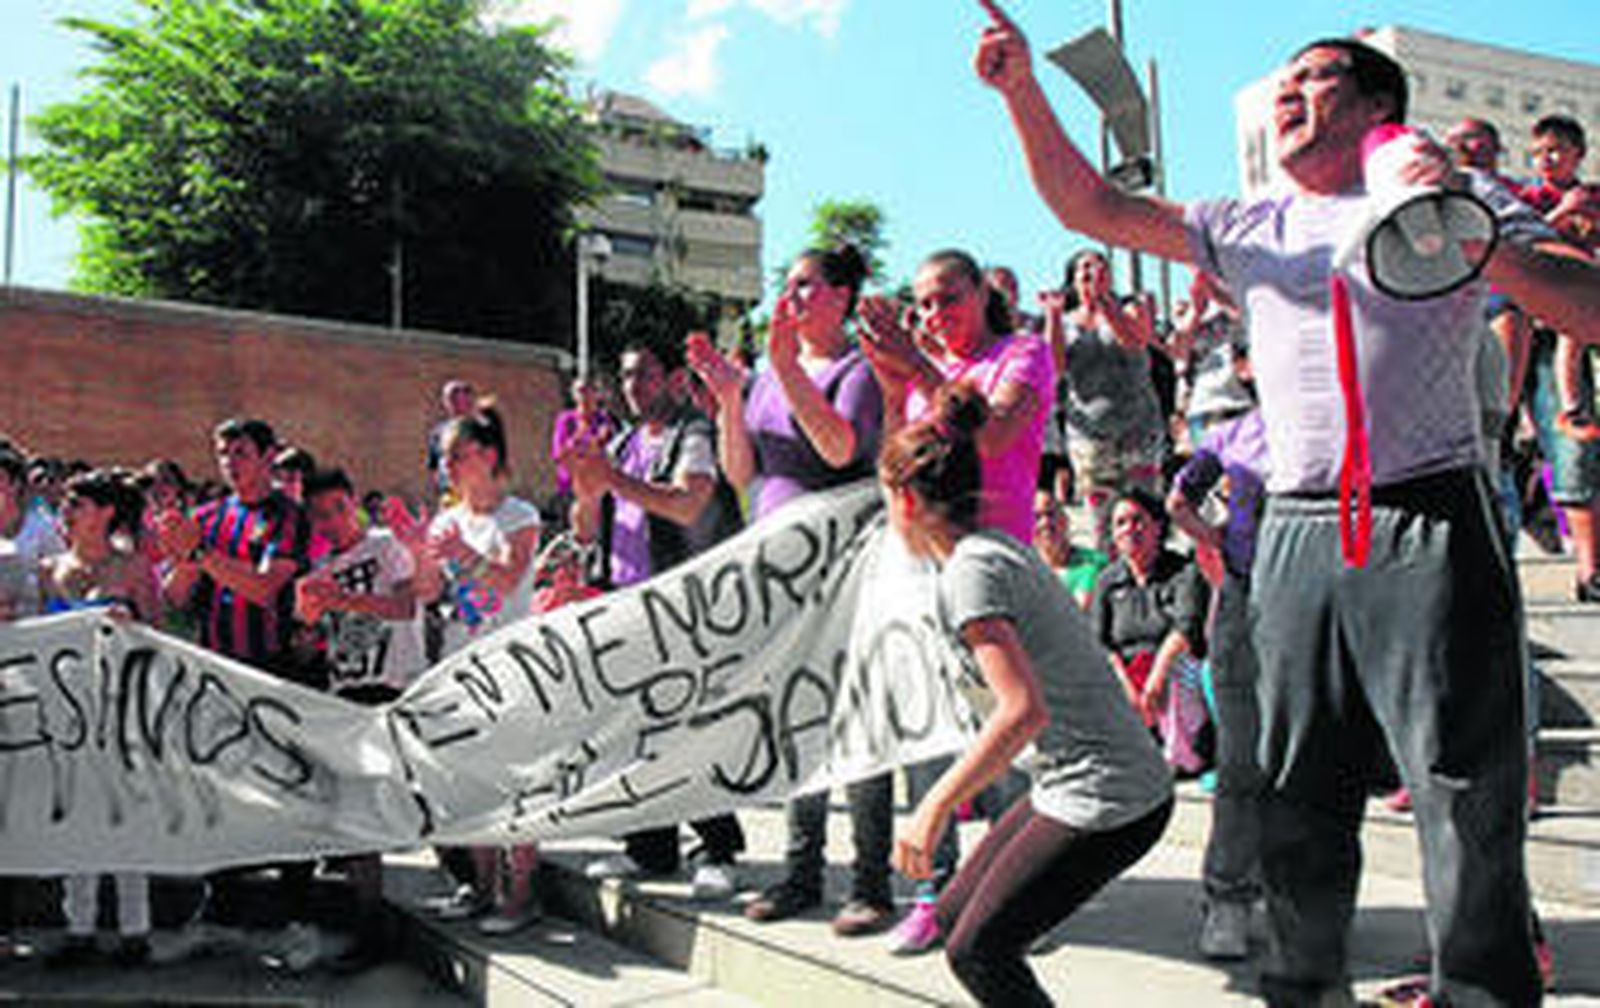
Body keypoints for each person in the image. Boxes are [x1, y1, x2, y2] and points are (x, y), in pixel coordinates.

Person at [971, 3, 1599, 1000]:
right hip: (1298, 536)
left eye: (1313, 79)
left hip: (1428, 516)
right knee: (1296, 800)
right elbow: (1093, 207)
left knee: (1461, 801)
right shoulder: (1249, 223)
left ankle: (1480, 989)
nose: (1287, 96)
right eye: (1281, 87)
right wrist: (1021, 92)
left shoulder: (1459, 192)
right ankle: (1303, 989)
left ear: (1378, 103)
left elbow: (1586, 303)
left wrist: (1475, 239)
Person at [884, 383, 1172, 1007]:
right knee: (955, 917)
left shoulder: (972, 571)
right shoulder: (984, 552)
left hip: (1112, 792)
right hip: (1066, 779)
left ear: (904, 501)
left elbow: (1021, 711)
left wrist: (933, 807)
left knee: (977, 950)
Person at [687, 245, 896, 937]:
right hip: (779, 578)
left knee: (857, 724)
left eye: (808, 286)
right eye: (790, 286)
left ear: (842, 296)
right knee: (797, 723)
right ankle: (802, 871)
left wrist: (777, 368)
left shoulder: (859, 371)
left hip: (844, 573)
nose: (794, 296)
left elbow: (838, 447)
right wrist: (728, 399)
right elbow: (740, 471)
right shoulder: (771, 378)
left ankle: (871, 882)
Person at [565, 340, 747, 900]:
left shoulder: (694, 432)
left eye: (643, 375)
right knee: (633, 734)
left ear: (671, 378)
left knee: (690, 730)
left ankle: (718, 848)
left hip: (683, 610)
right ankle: (650, 847)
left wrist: (611, 480)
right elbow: (585, 530)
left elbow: (690, 504)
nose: (632, 386)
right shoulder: (619, 442)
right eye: (625, 377)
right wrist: (588, 487)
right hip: (626, 605)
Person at [395, 401, 544, 934]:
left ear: (487, 456)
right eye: (443, 457)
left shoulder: (519, 515)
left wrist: (459, 552)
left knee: (515, 782)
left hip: (510, 666)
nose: (447, 466)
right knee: (472, 782)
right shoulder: (447, 519)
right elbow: (428, 591)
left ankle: (521, 893)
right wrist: (419, 552)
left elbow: (506, 581)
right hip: (458, 663)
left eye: (456, 455)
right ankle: (481, 888)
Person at [38, 468, 160, 967]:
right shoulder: (49, 569)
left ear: (106, 512)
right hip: (69, 709)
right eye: (66, 504)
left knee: (126, 816)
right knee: (76, 818)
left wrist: (133, 627)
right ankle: (78, 927)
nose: (66, 512)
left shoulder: (133, 569)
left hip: (122, 705)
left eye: (77, 504)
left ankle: (136, 929)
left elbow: (158, 634)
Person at [859, 248, 1055, 546]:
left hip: (997, 543)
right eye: (925, 305)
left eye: (949, 299)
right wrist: (893, 392)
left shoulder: (1024, 351)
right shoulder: (928, 369)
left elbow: (993, 439)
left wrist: (915, 364)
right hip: (925, 548)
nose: (936, 313)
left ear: (982, 294)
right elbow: (894, 465)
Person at [1168, 404, 1268, 961]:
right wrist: (1217, 538)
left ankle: (1290, 890)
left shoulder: (1329, 413)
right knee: (1238, 760)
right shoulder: (1231, 433)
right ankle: (1228, 896)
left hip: (1314, 596)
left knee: (1307, 755)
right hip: (1244, 597)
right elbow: (1179, 499)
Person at [1515, 115, 1600, 600]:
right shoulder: (1527, 201)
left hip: (1578, 328)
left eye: (1558, 150)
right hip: (1531, 327)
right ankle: (1535, 508)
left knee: (1578, 446)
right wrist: (1562, 214)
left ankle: (1589, 571)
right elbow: (1518, 245)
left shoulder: (1594, 196)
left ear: (1578, 153)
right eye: (1541, 151)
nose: (1549, 159)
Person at [1045, 249, 1166, 552]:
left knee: (1145, 513)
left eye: (1100, 265)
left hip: (1138, 431)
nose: (1092, 271)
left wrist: (1104, 302)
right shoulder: (1066, 320)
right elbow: (1055, 367)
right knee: (1102, 522)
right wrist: (1054, 317)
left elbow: (1136, 342)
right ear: (1072, 280)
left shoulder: (1131, 308)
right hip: (1089, 438)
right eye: (1084, 267)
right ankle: (1109, 585)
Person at [1089, 489, 1212, 774]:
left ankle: (1179, 756)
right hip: (1128, 673)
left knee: (1182, 672)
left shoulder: (1184, 572)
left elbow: (1185, 629)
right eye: (1120, 523)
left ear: (1158, 526)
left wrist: (1155, 679)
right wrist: (1126, 684)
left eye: (1138, 520)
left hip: (1170, 668)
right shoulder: (1108, 580)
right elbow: (1098, 642)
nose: (1129, 529)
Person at [1031, 489, 1105, 609]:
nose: (1045, 523)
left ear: (1065, 520)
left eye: (1051, 514)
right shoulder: (1023, 572)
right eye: (1037, 517)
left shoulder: (1096, 563)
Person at [426, 379, 478, 503]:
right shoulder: (438, 432)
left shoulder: (479, 428)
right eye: (450, 398)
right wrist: (439, 490)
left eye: (458, 398)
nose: (455, 403)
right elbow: (434, 464)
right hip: (449, 492)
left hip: (474, 491)